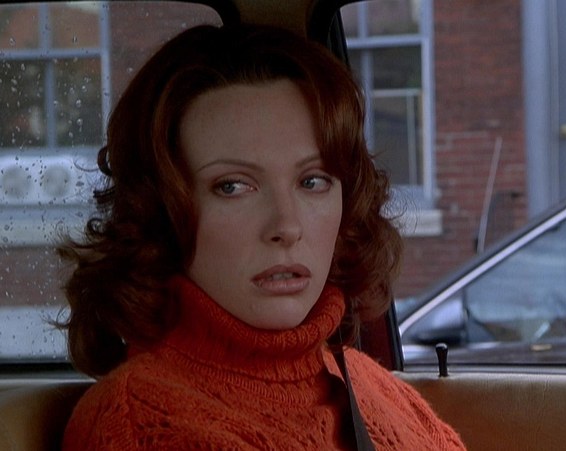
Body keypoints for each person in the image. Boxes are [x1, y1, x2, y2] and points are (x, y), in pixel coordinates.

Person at [59, 23, 465, 450]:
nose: (286, 226)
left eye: (313, 181)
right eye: (233, 186)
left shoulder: (379, 392)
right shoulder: (139, 424)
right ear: (159, 212)